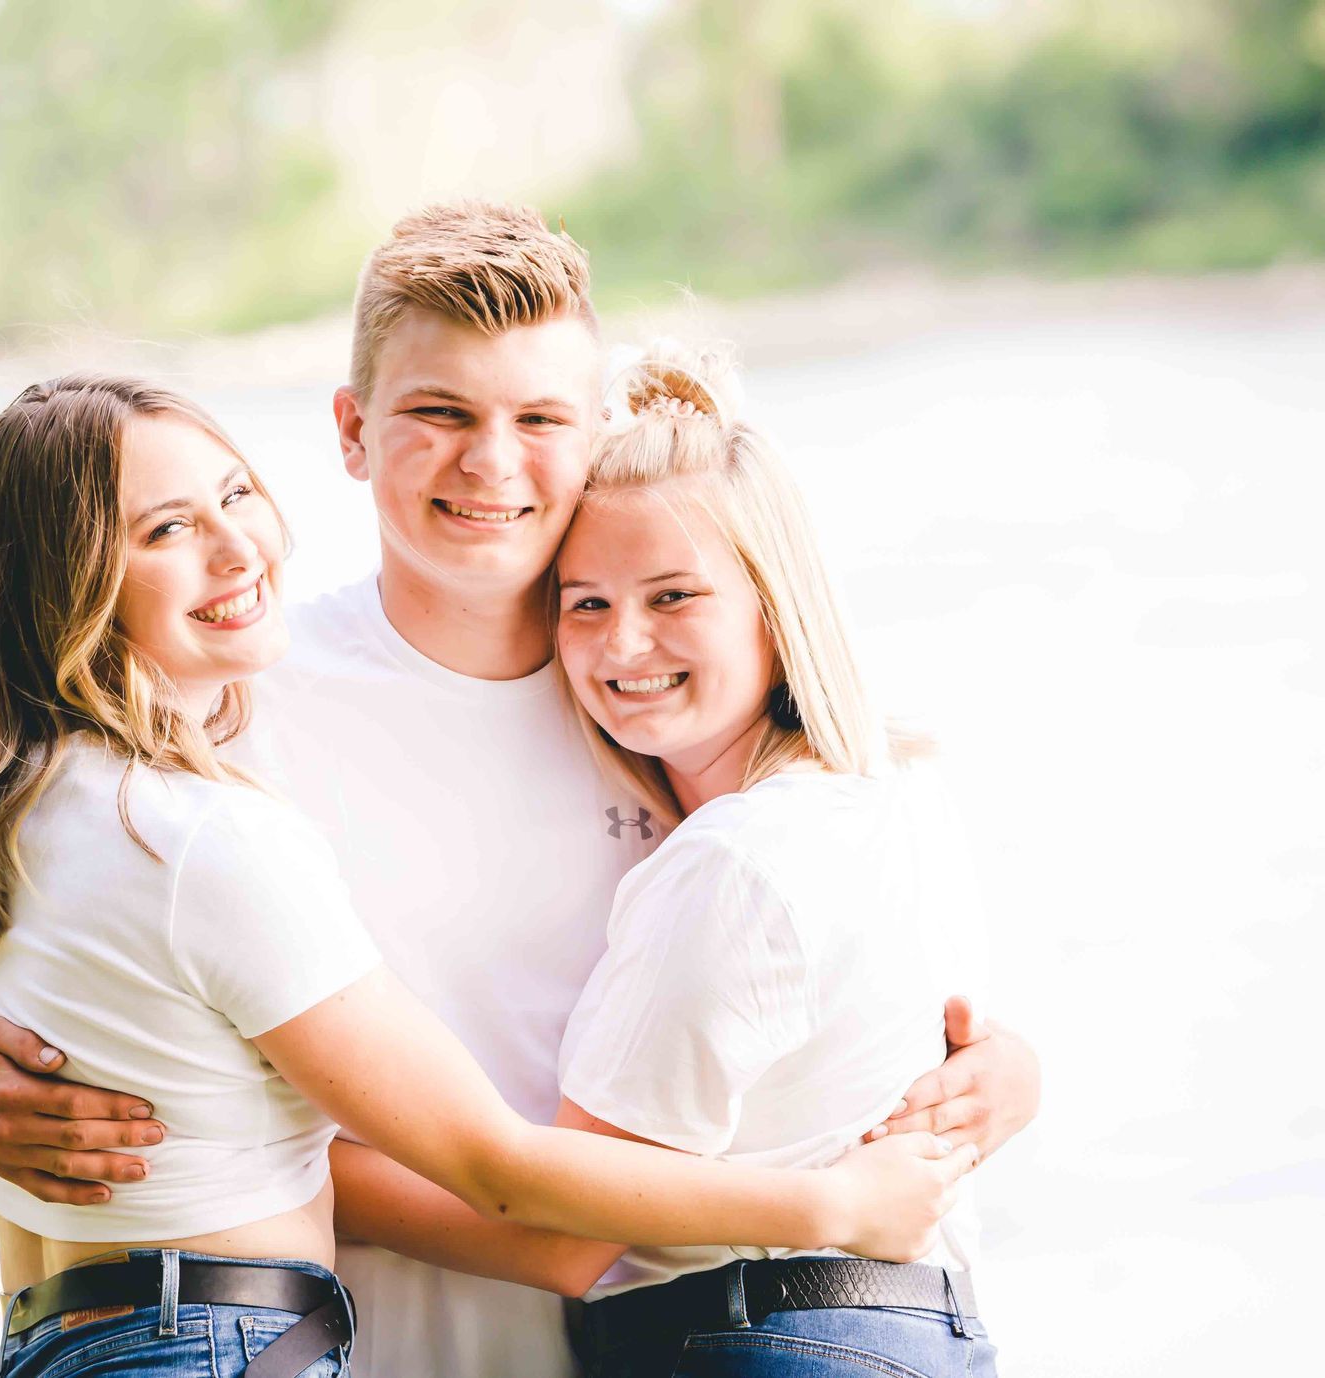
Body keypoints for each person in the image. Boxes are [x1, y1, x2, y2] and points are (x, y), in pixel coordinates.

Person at [0, 202, 1043, 1378]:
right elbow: (11, 883)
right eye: (439, 414)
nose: (491, 461)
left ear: (596, 433)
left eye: (540, 418)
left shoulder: (663, 695)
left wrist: (1010, 1075)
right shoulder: (242, 699)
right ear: (352, 430)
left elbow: (840, 963)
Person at [317, 344, 1003, 1375]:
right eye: (586, 603)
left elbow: (562, 1237)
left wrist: (259, 1162)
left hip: (759, 1337)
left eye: (674, 597)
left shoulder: (732, 864)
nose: (623, 643)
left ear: (776, 605)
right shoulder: (892, 794)